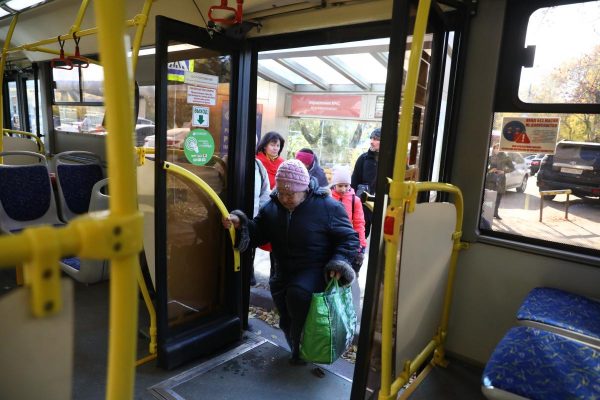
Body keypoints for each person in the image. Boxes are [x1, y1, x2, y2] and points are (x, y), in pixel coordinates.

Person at [222, 159, 359, 364]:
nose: (285, 198)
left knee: (299, 297)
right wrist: (240, 223)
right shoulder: (272, 207)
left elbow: (349, 238)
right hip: (281, 272)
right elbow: (258, 233)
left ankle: (302, 352)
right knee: (286, 316)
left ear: (304, 189)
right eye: (282, 193)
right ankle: (298, 347)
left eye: (290, 194)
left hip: (313, 270)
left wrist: (339, 262)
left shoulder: (328, 207)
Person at [330, 165, 367, 323]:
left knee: (350, 278)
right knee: (333, 277)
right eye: (340, 185)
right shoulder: (328, 198)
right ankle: (332, 310)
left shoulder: (354, 200)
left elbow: (359, 223)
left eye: (346, 185)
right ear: (334, 185)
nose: (344, 189)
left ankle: (351, 312)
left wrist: (361, 246)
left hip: (350, 243)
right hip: (333, 242)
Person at [351, 127, 381, 238]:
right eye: (371, 138)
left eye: (376, 139)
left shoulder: (392, 162)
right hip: (364, 206)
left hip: (383, 205)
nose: (372, 141)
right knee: (362, 235)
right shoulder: (363, 159)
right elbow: (353, 184)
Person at [486, 143, 514, 220]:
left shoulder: (506, 157)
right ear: (493, 148)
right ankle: (488, 212)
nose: (497, 149)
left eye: (499, 148)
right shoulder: (490, 157)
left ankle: (496, 213)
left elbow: (512, 168)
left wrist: (503, 171)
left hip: (501, 179)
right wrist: (490, 170)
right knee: (489, 197)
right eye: (495, 148)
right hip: (491, 179)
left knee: (498, 197)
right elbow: (484, 167)